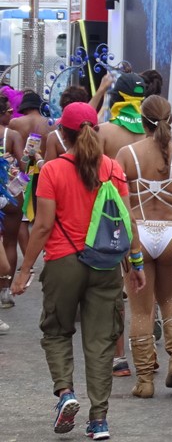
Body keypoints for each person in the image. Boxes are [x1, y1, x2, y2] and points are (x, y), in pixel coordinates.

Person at [11, 102, 145, 440]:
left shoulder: (53, 170)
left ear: (64, 134)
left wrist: (24, 271)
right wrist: (136, 263)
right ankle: (99, 420)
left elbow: (41, 227)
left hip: (63, 263)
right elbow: (128, 221)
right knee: (100, 342)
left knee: (56, 331)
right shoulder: (113, 168)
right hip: (105, 264)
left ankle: (66, 394)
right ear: (95, 131)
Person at [116, 95, 172, 399]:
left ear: (142, 120)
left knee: (141, 311)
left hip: (137, 232)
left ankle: (144, 381)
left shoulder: (126, 154)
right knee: (170, 298)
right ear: (169, 119)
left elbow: (113, 194)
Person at [97, 71, 147, 377]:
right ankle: (148, 355)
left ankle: (119, 358)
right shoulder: (155, 133)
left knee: (116, 291)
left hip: (115, 222)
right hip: (156, 218)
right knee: (151, 293)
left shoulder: (104, 132)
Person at [0, 93, 25, 312]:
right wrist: (31, 155)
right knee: (9, 242)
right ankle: (5, 290)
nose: (12, 114)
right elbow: (24, 164)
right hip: (8, 192)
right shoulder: (12, 135)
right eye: (9, 111)